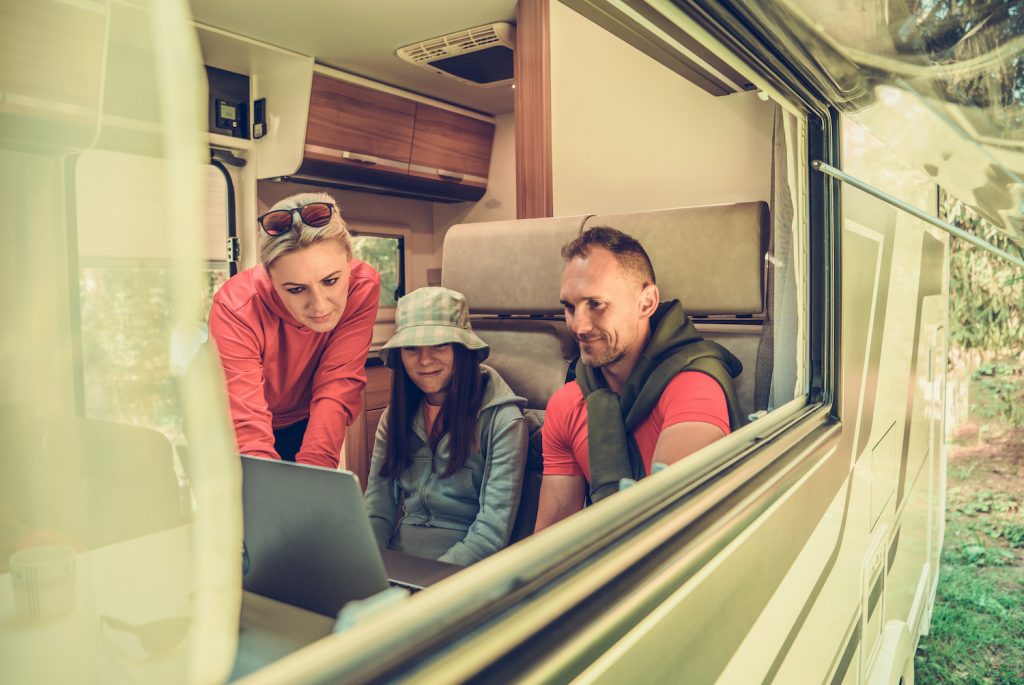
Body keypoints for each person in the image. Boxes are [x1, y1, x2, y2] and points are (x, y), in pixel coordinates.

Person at [535, 227, 746, 530]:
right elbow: (549, 542)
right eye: (570, 307)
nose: (579, 326)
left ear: (646, 303)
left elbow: (668, 527)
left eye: (596, 304)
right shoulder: (566, 404)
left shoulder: (694, 386)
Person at [208, 192, 380, 468]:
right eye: (296, 289)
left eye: (331, 280)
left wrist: (315, 473)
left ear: (349, 260)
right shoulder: (235, 307)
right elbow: (247, 425)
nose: (320, 306)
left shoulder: (362, 287)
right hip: (229, 419)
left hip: (301, 416)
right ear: (270, 277)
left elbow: (338, 383)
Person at [363, 287, 528, 566]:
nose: (424, 360)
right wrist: (370, 568)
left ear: (463, 349)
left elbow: (491, 533)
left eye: (439, 345)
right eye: (412, 348)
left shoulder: (504, 421)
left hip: (461, 572)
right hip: (397, 564)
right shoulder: (393, 419)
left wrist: (431, 584)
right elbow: (378, 511)